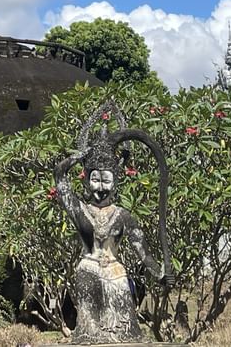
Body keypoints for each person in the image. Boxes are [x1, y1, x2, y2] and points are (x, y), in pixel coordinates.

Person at [53, 100, 171, 344]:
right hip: (88, 270)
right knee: (90, 333)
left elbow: (143, 253)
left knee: (125, 332)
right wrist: (79, 157)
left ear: (115, 181)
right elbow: (60, 177)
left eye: (106, 180)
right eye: (95, 180)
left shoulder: (124, 215)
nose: (100, 188)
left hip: (116, 274)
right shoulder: (79, 210)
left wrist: (160, 274)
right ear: (86, 180)